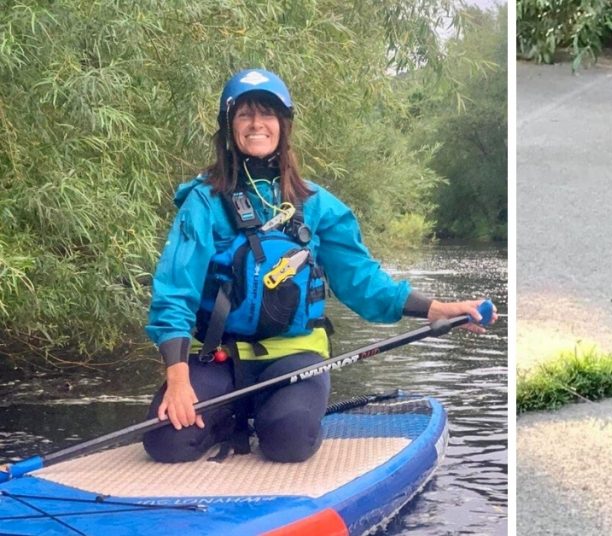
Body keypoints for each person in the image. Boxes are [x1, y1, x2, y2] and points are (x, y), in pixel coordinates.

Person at [142, 68, 496, 464]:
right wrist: (177, 378)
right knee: (165, 442)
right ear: (230, 127)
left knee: (289, 440)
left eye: (268, 114)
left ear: (283, 126)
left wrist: (437, 309)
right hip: (219, 358)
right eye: (245, 114)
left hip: (294, 357)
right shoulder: (203, 202)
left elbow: (361, 281)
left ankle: (281, 413)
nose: (257, 124)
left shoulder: (318, 204)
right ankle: (230, 417)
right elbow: (175, 289)